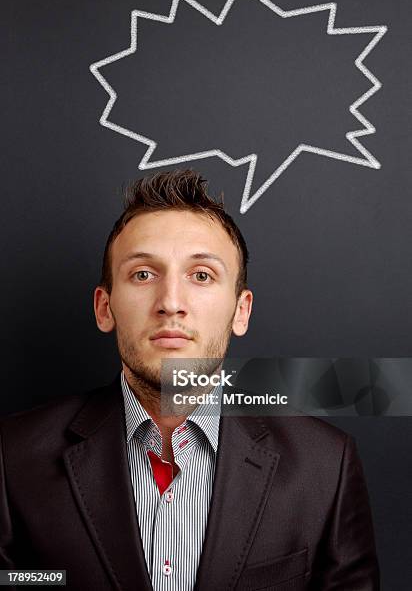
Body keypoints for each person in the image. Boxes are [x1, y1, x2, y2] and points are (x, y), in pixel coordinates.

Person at [0, 169, 379, 590]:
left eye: (201, 275)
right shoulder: (13, 458)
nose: (171, 303)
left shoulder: (326, 465)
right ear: (104, 307)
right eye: (143, 274)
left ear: (241, 311)